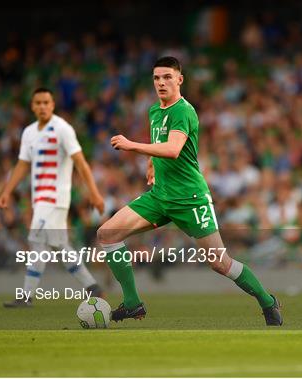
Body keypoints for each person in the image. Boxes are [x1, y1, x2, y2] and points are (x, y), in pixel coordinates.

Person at [97, 56, 282, 325]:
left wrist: (131, 145)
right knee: (107, 234)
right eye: (157, 78)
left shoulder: (184, 111)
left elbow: (172, 149)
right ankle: (132, 303)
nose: (161, 82)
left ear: (179, 79)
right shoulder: (154, 111)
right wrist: (151, 162)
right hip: (160, 196)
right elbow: (160, 143)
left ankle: (268, 301)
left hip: (190, 198)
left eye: (167, 77)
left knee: (221, 264)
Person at [0, 87, 105, 307]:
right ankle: (93, 287)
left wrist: (94, 193)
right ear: (32, 106)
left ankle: (26, 296)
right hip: (40, 199)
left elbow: (80, 162)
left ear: (53, 105)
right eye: (38, 103)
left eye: (46, 102)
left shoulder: (63, 129)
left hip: (56, 198)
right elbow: (22, 164)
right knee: (59, 246)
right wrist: (7, 191)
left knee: (36, 239)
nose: (42, 106)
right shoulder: (29, 132)